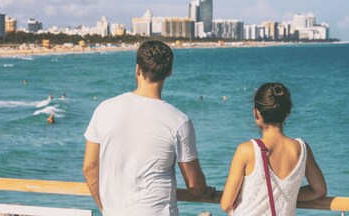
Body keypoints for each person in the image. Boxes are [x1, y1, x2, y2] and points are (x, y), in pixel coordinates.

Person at [83, 40, 215, 215]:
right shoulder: (179, 121)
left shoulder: (104, 109)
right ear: (169, 72)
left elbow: (89, 167)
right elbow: (194, 185)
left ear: (138, 69)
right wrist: (206, 191)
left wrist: (104, 207)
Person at [221, 83, 327, 215]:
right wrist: (288, 193)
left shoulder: (247, 150)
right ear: (286, 114)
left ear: (256, 113)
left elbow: (226, 204)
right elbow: (319, 190)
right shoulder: (302, 149)